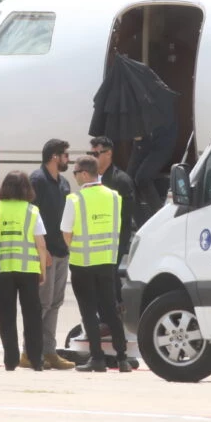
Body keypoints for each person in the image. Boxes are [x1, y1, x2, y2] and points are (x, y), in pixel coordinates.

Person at [62, 155, 131, 373]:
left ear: (83, 173)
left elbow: (66, 233)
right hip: (107, 262)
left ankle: (97, 358)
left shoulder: (75, 199)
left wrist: (76, 249)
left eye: (74, 173)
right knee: (110, 310)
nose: (74, 177)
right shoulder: (114, 197)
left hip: (82, 263)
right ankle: (122, 358)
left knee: (89, 312)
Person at [21, 139, 76, 371]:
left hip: (62, 252)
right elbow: (31, 216)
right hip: (45, 252)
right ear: (54, 156)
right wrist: (40, 251)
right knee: (41, 304)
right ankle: (28, 352)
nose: (68, 159)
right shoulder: (37, 181)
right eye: (65, 155)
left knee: (55, 303)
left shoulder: (63, 183)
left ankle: (49, 351)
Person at [0, 170, 50, 371]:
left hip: (3, 271)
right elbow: (40, 244)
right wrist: (42, 269)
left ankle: (10, 360)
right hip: (28, 271)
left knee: (6, 316)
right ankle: (36, 360)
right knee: (32, 317)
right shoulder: (31, 211)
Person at [89, 136, 136, 303]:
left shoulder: (121, 180)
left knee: (110, 273)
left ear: (108, 153)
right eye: (90, 153)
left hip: (114, 237)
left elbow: (126, 213)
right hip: (95, 237)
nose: (92, 158)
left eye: (96, 154)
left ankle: (117, 307)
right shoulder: (90, 180)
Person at [127, 119, 178, 224]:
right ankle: (140, 224)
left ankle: (161, 217)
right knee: (128, 182)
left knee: (142, 178)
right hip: (142, 139)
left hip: (161, 141)